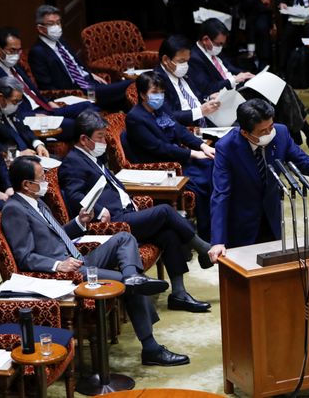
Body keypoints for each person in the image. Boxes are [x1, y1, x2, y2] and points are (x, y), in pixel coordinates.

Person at [1, 156, 189, 366]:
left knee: (124, 238)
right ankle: (151, 348)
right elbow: (24, 257)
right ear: (26, 184)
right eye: (41, 177)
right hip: (65, 271)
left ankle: (133, 276)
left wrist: (78, 223)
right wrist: (58, 265)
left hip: (79, 258)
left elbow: (56, 235)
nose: (46, 180)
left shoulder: (37, 202)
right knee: (128, 285)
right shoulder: (14, 210)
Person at [59, 110, 212, 312]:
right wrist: (97, 210)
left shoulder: (92, 157)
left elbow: (112, 185)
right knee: (165, 211)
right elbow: (73, 195)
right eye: (100, 137)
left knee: (168, 233)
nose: (104, 140)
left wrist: (130, 200)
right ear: (84, 139)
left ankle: (179, 293)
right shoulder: (73, 162)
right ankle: (204, 249)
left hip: (126, 213)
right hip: (113, 223)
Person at [208, 99, 309, 261]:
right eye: (262, 131)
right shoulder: (226, 147)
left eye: (270, 126)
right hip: (242, 224)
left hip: (273, 218)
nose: (269, 133)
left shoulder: (280, 133)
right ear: (245, 133)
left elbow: (304, 164)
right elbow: (220, 194)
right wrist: (218, 241)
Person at [188, 19, 309, 148]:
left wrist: (247, 76)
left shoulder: (213, 53)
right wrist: (233, 80)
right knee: (280, 90)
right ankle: (307, 136)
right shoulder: (195, 58)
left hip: (236, 89)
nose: (220, 47)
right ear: (206, 39)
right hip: (223, 101)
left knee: (280, 86)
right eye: (218, 43)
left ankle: (303, 137)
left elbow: (230, 69)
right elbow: (206, 89)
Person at [125, 72, 214, 238]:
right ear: (143, 95)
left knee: (213, 169)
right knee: (202, 182)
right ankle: (205, 234)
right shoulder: (135, 118)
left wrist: (202, 146)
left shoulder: (161, 108)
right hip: (163, 166)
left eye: (162, 92)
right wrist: (193, 153)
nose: (159, 96)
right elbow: (159, 148)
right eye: (155, 92)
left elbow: (179, 129)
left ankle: (217, 228)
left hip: (179, 158)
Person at [0, 26, 95, 141]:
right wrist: (31, 115)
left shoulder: (14, 67)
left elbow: (32, 91)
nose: (16, 55)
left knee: (88, 106)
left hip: (44, 108)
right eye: (12, 50)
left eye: (18, 50)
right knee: (74, 125)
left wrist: (48, 102)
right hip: (29, 118)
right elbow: (1, 111)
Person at [28, 5, 131, 111]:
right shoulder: (38, 52)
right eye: (51, 24)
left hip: (89, 82)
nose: (57, 27)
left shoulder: (61, 41)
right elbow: (46, 87)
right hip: (80, 91)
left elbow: (75, 64)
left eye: (58, 23)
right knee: (132, 85)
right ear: (40, 28)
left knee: (124, 101)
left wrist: (90, 74)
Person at [155, 34, 220, 127]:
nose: (185, 65)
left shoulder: (183, 73)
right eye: (181, 61)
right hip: (186, 131)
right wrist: (199, 111)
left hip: (208, 123)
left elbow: (195, 98)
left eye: (187, 61)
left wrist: (209, 98)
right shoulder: (156, 81)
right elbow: (167, 115)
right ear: (166, 60)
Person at [205, 0, 272, 67]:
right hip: (228, 14)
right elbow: (213, 7)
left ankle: (264, 61)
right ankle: (228, 58)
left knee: (261, 27)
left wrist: (250, 49)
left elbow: (250, 23)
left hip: (256, 13)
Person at [0, 77, 49, 159]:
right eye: (15, 101)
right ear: (0, 98)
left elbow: (24, 129)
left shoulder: (11, 109)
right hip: (14, 161)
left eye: (19, 101)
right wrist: (18, 154)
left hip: (31, 155)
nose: (17, 104)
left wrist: (37, 144)